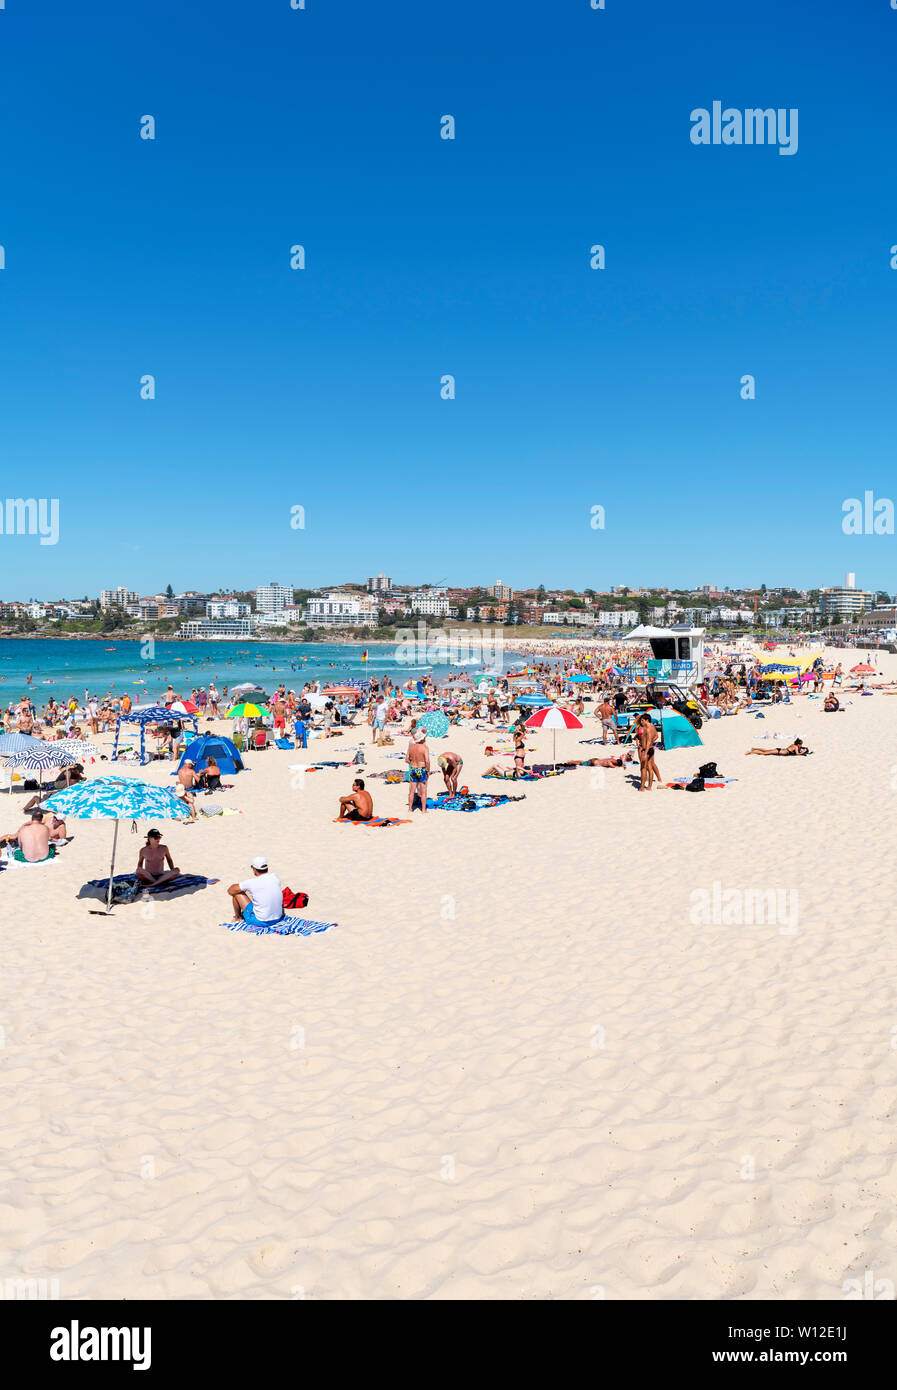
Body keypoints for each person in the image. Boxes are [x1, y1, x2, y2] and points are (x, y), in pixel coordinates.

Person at [227, 856, 284, 925]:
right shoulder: (275, 877)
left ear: (254, 869)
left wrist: (242, 890)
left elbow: (230, 890)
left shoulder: (252, 882)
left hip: (261, 921)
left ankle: (237, 917)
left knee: (236, 893)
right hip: (278, 918)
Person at [635, 713, 662, 791]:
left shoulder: (648, 728)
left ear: (646, 720)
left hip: (646, 749)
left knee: (643, 768)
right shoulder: (650, 726)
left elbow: (649, 739)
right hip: (650, 748)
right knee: (650, 767)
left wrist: (645, 751)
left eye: (642, 720)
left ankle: (642, 787)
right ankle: (649, 787)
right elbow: (655, 736)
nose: (641, 721)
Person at [407, 730, 430, 812]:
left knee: (412, 791)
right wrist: (428, 770)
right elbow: (427, 761)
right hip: (421, 769)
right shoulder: (424, 748)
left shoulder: (411, 747)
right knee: (423, 791)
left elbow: (407, 759)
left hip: (413, 768)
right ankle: (423, 810)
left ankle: (410, 808)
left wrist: (413, 762)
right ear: (421, 739)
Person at [745, 739, 809, 756]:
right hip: (779, 751)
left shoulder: (793, 744)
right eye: (801, 745)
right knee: (764, 753)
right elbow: (797, 754)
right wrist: (803, 752)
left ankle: (754, 748)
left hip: (780, 749)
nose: (801, 746)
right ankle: (751, 752)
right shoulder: (796, 747)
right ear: (798, 744)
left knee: (766, 750)